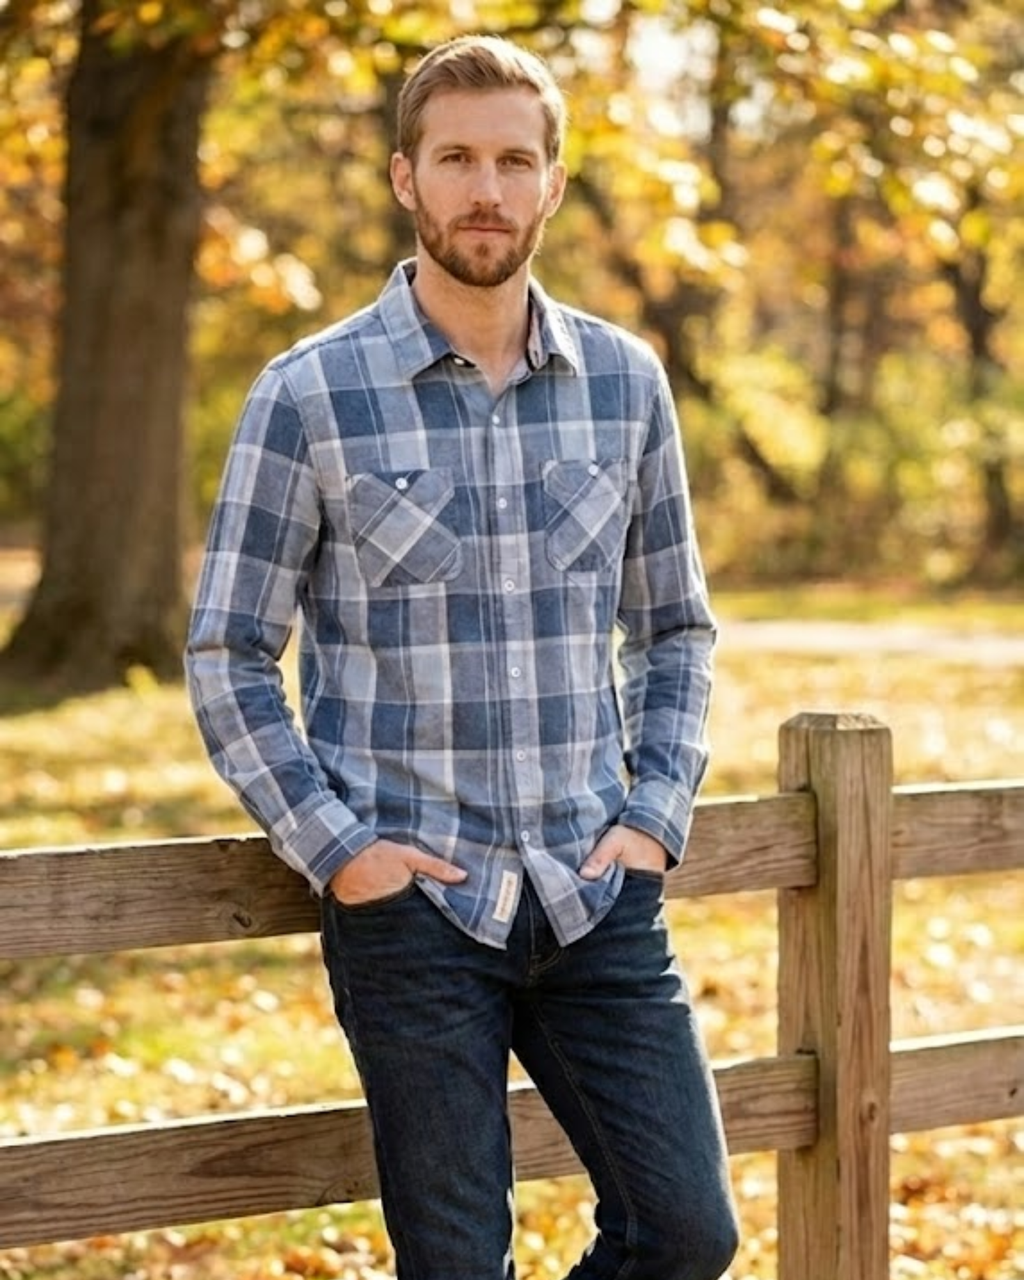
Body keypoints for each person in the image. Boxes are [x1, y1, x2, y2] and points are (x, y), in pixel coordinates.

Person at [185, 33, 739, 1280]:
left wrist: (651, 816)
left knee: (689, 1231)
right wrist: (344, 852)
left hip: (596, 891)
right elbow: (227, 652)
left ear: (551, 183)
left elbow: (674, 629)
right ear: (404, 178)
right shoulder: (307, 395)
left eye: (511, 160)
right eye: (455, 159)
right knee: (455, 1262)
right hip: (413, 911)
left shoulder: (626, 383)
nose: (483, 189)